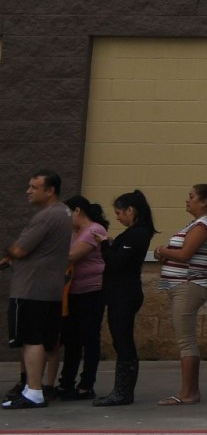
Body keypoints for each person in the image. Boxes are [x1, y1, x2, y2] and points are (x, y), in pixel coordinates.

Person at [153, 182, 207, 406]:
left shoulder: (205, 224)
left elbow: (185, 253)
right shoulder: (197, 223)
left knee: (186, 341)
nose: (187, 200)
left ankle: (189, 392)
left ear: (204, 201)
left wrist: (161, 251)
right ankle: (189, 391)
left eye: (191, 196)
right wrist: (168, 254)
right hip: (181, 285)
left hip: (188, 285)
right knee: (185, 339)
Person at [0, 171, 73, 409]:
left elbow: (20, 250)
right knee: (43, 341)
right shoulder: (64, 212)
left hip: (30, 289)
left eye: (34, 187)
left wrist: (9, 252)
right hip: (50, 289)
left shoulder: (46, 216)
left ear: (50, 190)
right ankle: (34, 387)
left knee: (31, 339)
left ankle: (33, 391)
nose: (28, 191)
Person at [93, 189, 155, 407]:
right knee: (121, 339)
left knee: (123, 340)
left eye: (119, 212)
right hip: (121, 292)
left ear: (131, 210)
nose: (117, 217)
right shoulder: (134, 233)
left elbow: (117, 262)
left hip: (124, 293)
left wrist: (104, 244)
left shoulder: (137, 234)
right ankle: (122, 390)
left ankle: (123, 391)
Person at [54, 198, 109, 400]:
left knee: (89, 338)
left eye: (68, 214)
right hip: (72, 292)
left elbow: (71, 256)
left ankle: (86, 385)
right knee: (71, 339)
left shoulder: (95, 230)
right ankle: (66, 383)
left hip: (92, 291)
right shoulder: (73, 233)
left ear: (78, 210)